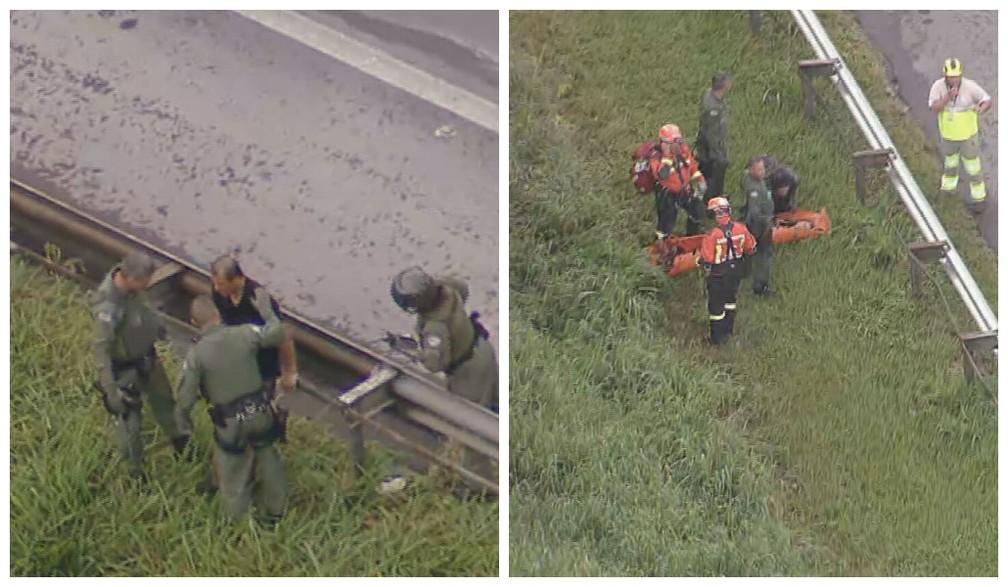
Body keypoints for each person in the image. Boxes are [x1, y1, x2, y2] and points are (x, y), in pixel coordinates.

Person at [174, 295, 288, 524]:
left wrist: (183, 427)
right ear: (218, 314)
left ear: (194, 322)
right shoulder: (245, 333)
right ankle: (276, 512)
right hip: (261, 414)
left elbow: (185, 399)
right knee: (269, 458)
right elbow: (277, 333)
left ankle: (236, 524)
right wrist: (266, 310)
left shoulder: (196, 355)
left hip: (231, 425)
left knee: (232, 475)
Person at [91, 251, 189, 481]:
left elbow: (146, 311)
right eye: (145, 280)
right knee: (130, 427)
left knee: (166, 404)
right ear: (132, 278)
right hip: (124, 371)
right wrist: (111, 390)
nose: (148, 285)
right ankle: (135, 473)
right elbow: (101, 352)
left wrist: (159, 329)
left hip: (147, 360)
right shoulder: (107, 307)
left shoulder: (135, 292)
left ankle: (181, 441)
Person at [390, 267, 498, 410]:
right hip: (482, 347)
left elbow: (436, 364)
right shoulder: (448, 288)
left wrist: (414, 352)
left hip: (468, 373)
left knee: (474, 414)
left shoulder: (434, 327)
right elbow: (464, 289)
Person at [928, 58, 993, 212]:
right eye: (951, 77)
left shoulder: (970, 87)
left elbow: (987, 100)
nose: (954, 80)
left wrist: (981, 109)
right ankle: (948, 191)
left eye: (957, 76)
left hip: (968, 137)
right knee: (950, 165)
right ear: (945, 76)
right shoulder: (938, 87)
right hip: (949, 136)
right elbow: (934, 108)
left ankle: (979, 199)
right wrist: (947, 97)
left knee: (973, 168)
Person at [698, 197, 756, 345]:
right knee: (730, 300)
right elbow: (751, 247)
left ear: (715, 214)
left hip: (718, 275)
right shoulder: (741, 229)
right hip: (736, 271)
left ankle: (717, 339)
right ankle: (728, 330)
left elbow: (707, 258)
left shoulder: (712, 236)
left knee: (716, 307)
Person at [649, 123, 707, 238]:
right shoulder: (656, 156)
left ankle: (693, 236)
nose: (678, 145)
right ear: (664, 143)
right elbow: (662, 175)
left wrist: (700, 179)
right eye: (674, 142)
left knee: (697, 210)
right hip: (667, 193)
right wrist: (668, 156)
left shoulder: (683, 150)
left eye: (679, 141)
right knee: (667, 219)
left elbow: (691, 165)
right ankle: (662, 242)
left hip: (684, 189)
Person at [740, 156, 775, 296]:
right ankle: (760, 287)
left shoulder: (749, 178)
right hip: (759, 226)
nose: (763, 172)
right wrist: (767, 224)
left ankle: (744, 271)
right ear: (751, 170)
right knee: (764, 255)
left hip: (756, 224)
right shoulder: (753, 189)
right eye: (759, 169)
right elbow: (754, 213)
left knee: (749, 250)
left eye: (763, 168)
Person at [695, 71, 732, 202]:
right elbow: (711, 135)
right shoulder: (713, 109)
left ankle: (707, 197)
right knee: (715, 176)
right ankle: (711, 202)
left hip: (706, 146)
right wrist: (718, 154)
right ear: (724, 85)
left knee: (706, 174)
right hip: (710, 149)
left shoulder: (709, 94)